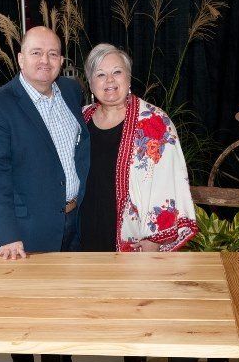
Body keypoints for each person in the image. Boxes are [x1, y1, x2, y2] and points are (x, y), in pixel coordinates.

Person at [0, 26, 90, 259]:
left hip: (77, 221)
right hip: (28, 232)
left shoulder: (71, 91)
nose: (45, 60)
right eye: (36, 52)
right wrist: (7, 235)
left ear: (61, 61)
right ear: (21, 59)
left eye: (53, 54)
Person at [79, 43, 197, 252]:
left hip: (134, 240)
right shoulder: (80, 118)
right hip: (82, 233)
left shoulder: (155, 122)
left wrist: (154, 239)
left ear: (129, 77)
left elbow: (169, 182)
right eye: (100, 74)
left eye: (117, 72)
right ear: (90, 83)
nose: (109, 80)